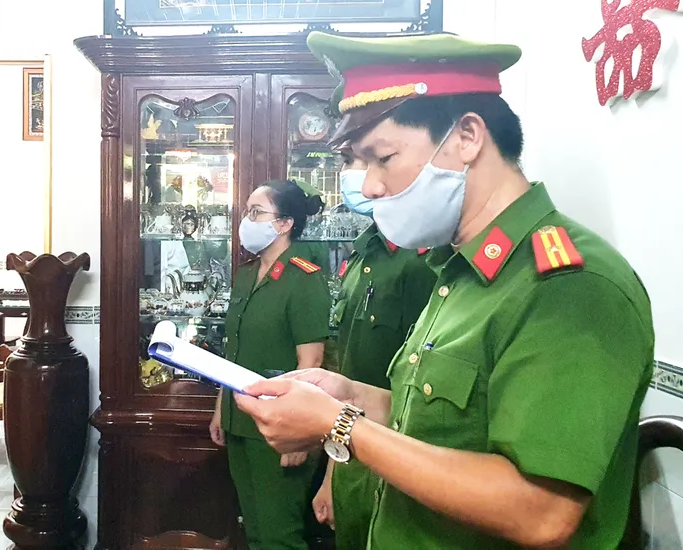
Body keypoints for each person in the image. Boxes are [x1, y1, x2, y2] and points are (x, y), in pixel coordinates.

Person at [234, 32, 654, 549]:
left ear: (467, 137)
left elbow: (541, 512)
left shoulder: (569, 286)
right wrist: (354, 397)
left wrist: (342, 426)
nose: (370, 186)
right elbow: (448, 427)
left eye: (383, 158)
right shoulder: (461, 271)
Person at [311, 147, 438, 549]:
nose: (360, 180)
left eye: (371, 158)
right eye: (351, 162)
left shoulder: (421, 263)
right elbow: (350, 369)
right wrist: (332, 472)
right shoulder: (366, 250)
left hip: (395, 459)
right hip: (350, 446)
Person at [208, 179, 331, 549]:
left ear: (284, 224)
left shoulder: (303, 278)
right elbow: (234, 351)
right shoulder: (246, 274)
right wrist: (221, 409)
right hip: (239, 419)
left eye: (257, 212)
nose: (247, 220)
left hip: (279, 425)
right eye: (247, 212)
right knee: (255, 532)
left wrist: (300, 433)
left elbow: (311, 362)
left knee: (280, 536)